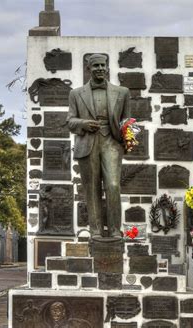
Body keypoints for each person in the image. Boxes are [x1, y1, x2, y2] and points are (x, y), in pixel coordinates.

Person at [67, 54, 130, 239]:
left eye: (103, 65)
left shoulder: (123, 92)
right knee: (92, 188)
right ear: (89, 69)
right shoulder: (76, 94)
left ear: (108, 68)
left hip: (111, 142)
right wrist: (83, 124)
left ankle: (114, 230)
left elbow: (127, 120)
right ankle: (95, 230)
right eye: (96, 66)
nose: (100, 68)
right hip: (88, 142)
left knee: (112, 185)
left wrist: (128, 137)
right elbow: (70, 121)